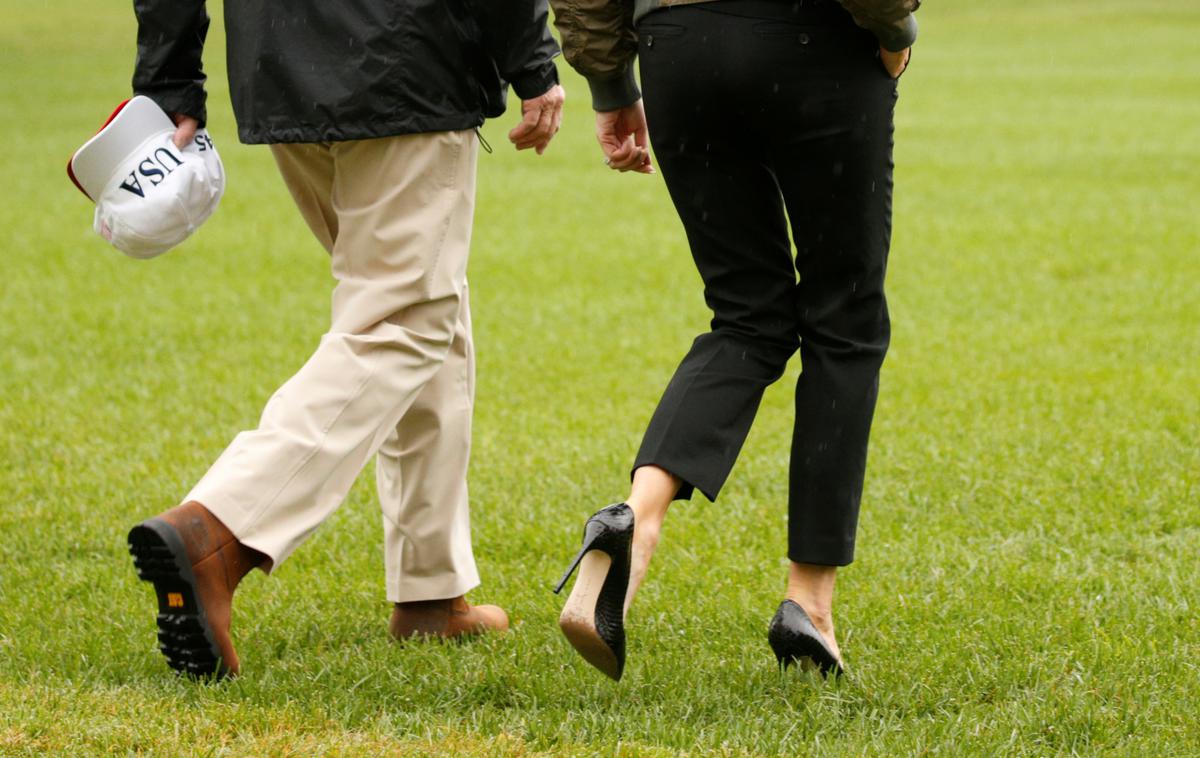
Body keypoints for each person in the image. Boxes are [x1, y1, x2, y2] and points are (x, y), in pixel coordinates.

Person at [124, 0, 565, 679]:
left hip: (281, 65)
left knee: (422, 308)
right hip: (407, 60)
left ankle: (432, 591)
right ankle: (215, 532)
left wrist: (169, 79)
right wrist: (533, 63)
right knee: (404, 322)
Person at [550, 0, 919, 680]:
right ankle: (809, 601)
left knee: (747, 315)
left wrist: (609, 79)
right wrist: (896, 27)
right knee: (846, 322)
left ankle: (637, 516)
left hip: (679, 50)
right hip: (817, 40)